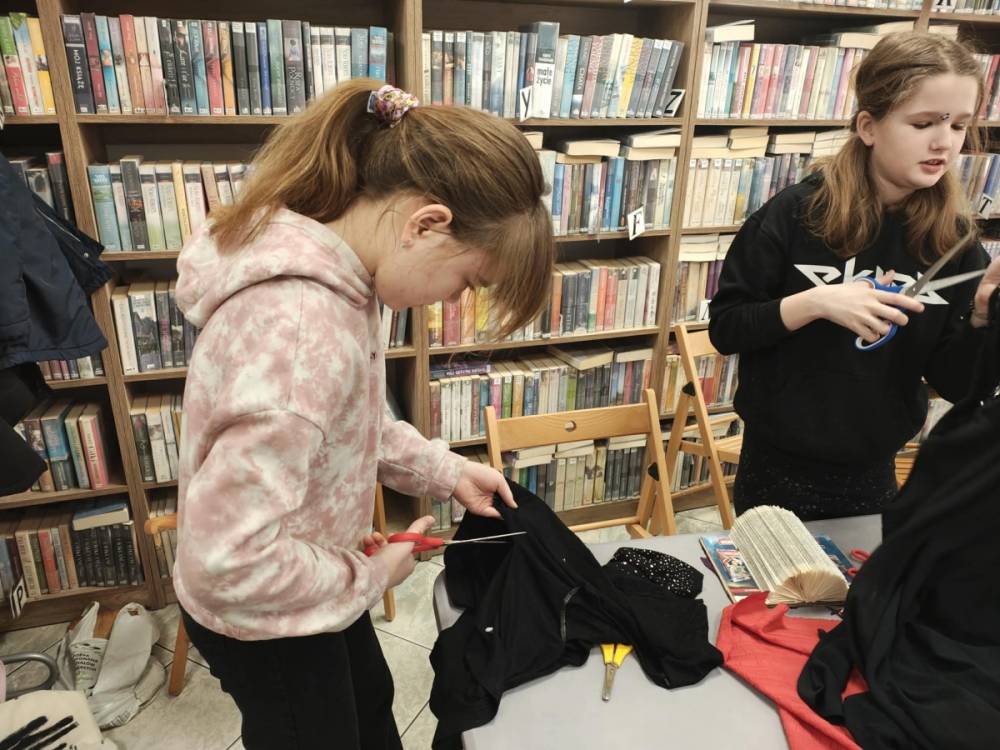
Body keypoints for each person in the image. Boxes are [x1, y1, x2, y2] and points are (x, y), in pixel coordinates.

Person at [171, 81, 554, 749]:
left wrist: (444, 471)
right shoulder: (299, 329)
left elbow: (351, 425)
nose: (452, 301)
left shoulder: (348, 281)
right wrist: (373, 576)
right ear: (425, 224)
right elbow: (227, 562)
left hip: (311, 575)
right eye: (468, 281)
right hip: (265, 618)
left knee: (370, 705)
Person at [709, 32, 1000, 522]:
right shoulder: (795, 214)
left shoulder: (953, 244)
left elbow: (956, 385)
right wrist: (816, 303)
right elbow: (727, 327)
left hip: (874, 473)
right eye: (923, 123)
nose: (945, 142)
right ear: (869, 126)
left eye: (958, 125)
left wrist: (981, 319)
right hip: (774, 466)